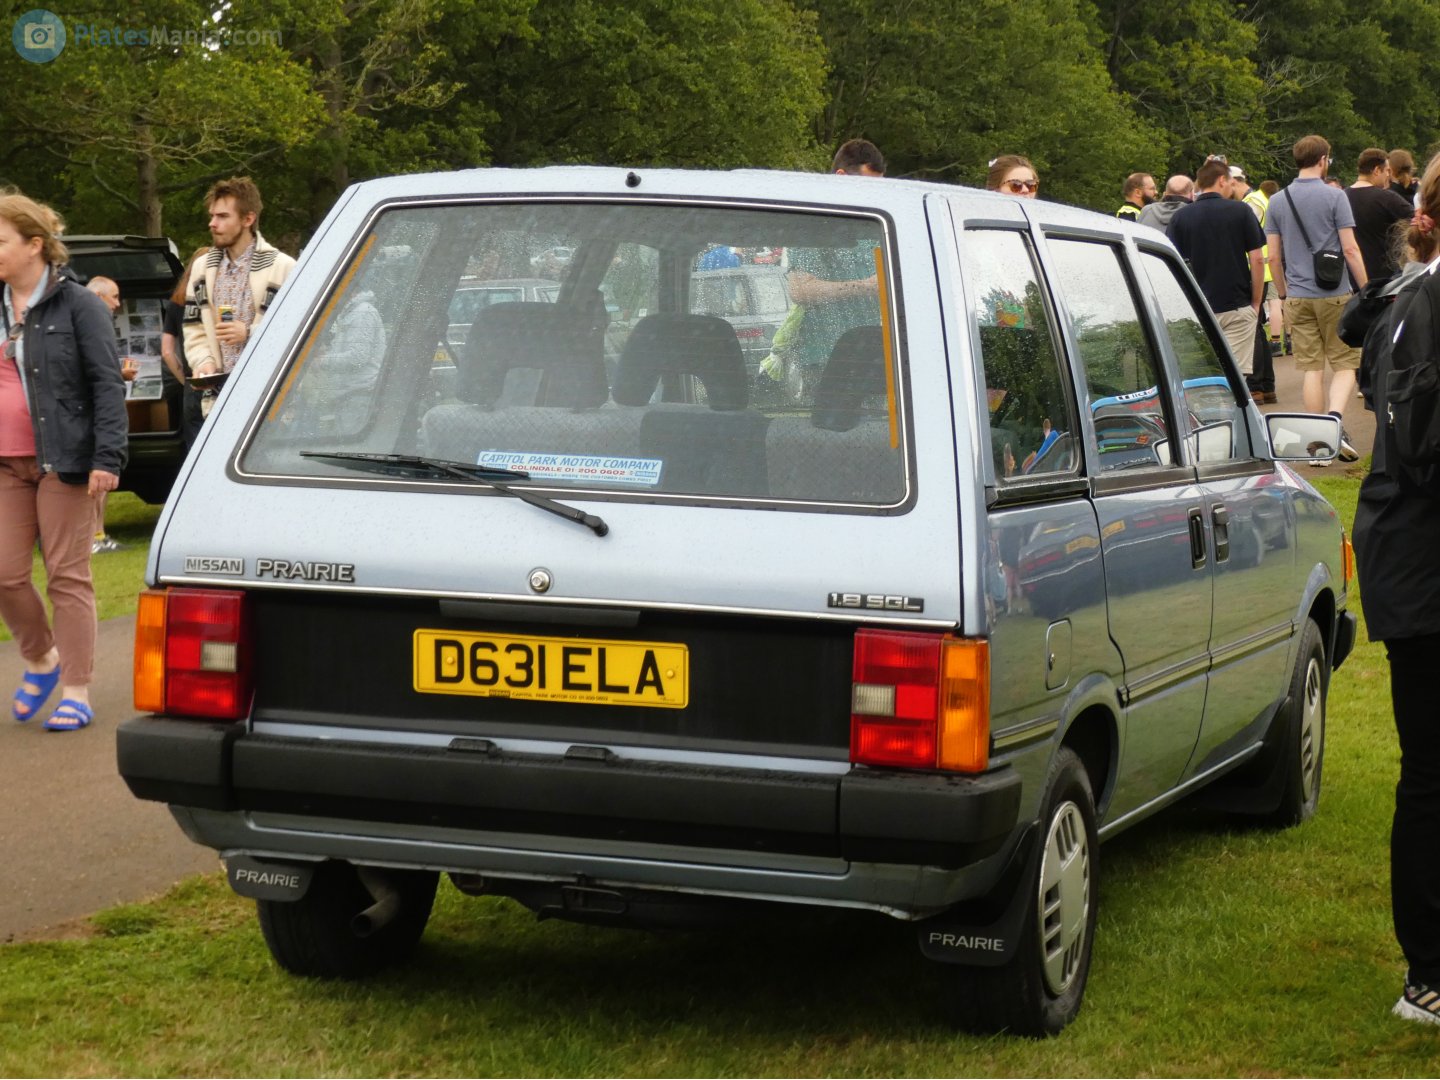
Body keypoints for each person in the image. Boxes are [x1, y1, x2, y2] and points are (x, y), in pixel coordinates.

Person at [1351, 150, 1440, 1028]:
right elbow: (1416, 445)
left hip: (1414, 554)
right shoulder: (1417, 302)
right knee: (1432, 771)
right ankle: (1428, 975)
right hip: (1422, 568)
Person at [0, 192, 127, 732]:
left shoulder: (79, 305)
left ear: (34, 245)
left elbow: (106, 383)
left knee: (66, 576)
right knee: (4, 574)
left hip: (65, 461)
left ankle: (76, 690)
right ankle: (41, 659)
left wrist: (108, 456)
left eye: (0, 240)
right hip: (5, 464)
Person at [1266, 134, 1367, 461]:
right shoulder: (1335, 196)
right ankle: (1334, 421)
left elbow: (1273, 256)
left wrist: (1283, 292)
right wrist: (1366, 288)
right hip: (1334, 293)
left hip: (1297, 295)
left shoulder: (1277, 201)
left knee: (1312, 369)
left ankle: (1318, 445)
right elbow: (1350, 249)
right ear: (1323, 159)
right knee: (1345, 364)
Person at [766, 143, 886, 399]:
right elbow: (801, 290)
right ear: (841, 177)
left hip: (876, 359)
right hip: (823, 361)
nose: (875, 195)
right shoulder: (813, 226)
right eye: (868, 186)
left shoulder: (881, 226)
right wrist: (866, 286)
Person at [183, 177, 296, 387]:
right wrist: (204, 361)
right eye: (212, 216)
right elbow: (194, 328)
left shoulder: (283, 268)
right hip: (218, 397)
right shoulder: (201, 269)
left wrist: (249, 333)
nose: (212, 223)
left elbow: (297, 328)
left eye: (223, 216)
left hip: (269, 393)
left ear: (248, 219)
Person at [1167, 159, 1266, 390]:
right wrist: (1256, 302)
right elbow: (1257, 259)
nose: (1232, 187)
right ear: (1221, 180)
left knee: (1207, 376)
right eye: (1231, 182)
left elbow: (1171, 263)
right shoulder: (1240, 211)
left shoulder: (1181, 217)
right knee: (1236, 379)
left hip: (1197, 309)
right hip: (1236, 304)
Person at [83, 275, 138, 554]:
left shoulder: (99, 326)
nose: (118, 304)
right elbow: (86, 375)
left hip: (103, 418)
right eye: (113, 297)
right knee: (93, 479)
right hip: (89, 418)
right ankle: (90, 538)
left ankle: (99, 534)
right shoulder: (82, 327)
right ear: (97, 297)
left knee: (103, 480)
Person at [162, 247, 210, 450]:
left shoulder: (176, 303)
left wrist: (185, 381)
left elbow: (167, 351)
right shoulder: (218, 300)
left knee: (196, 449)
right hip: (221, 380)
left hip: (193, 383)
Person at [1347, 148, 1414, 282]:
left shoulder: (1342, 196)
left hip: (1350, 275)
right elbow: (1417, 219)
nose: (1388, 175)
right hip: (1382, 277)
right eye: (1387, 171)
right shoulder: (1387, 198)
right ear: (1377, 170)